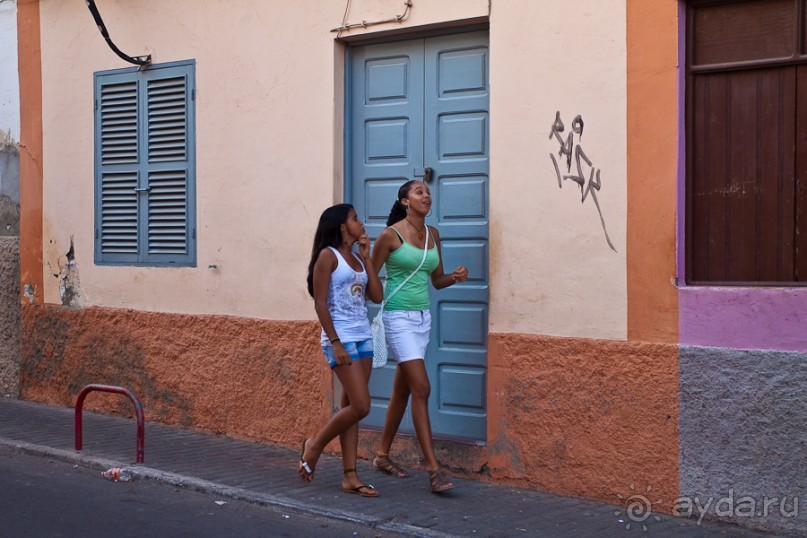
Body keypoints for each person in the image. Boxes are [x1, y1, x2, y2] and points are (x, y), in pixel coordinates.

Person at [370, 180, 468, 493]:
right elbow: (371, 277)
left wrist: (455, 277)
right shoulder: (390, 235)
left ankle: (382, 456)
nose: (426, 196)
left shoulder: (433, 235)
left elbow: (436, 280)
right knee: (422, 388)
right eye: (419, 192)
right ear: (405, 202)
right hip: (397, 317)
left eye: (427, 192)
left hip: (422, 319)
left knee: (403, 389)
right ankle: (433, 470)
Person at [298, 204, 384, 497]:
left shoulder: (357, 258)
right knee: (361, 405)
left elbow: (376, 296)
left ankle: (350, 476)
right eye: (355, 218)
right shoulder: (328, 256)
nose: (361, 222)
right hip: (341, 339)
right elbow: (320, 303)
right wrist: (335, 342)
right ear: (342, 226)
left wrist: (367, 258)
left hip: (363, 337)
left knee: (352, 408)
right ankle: (315, 445)